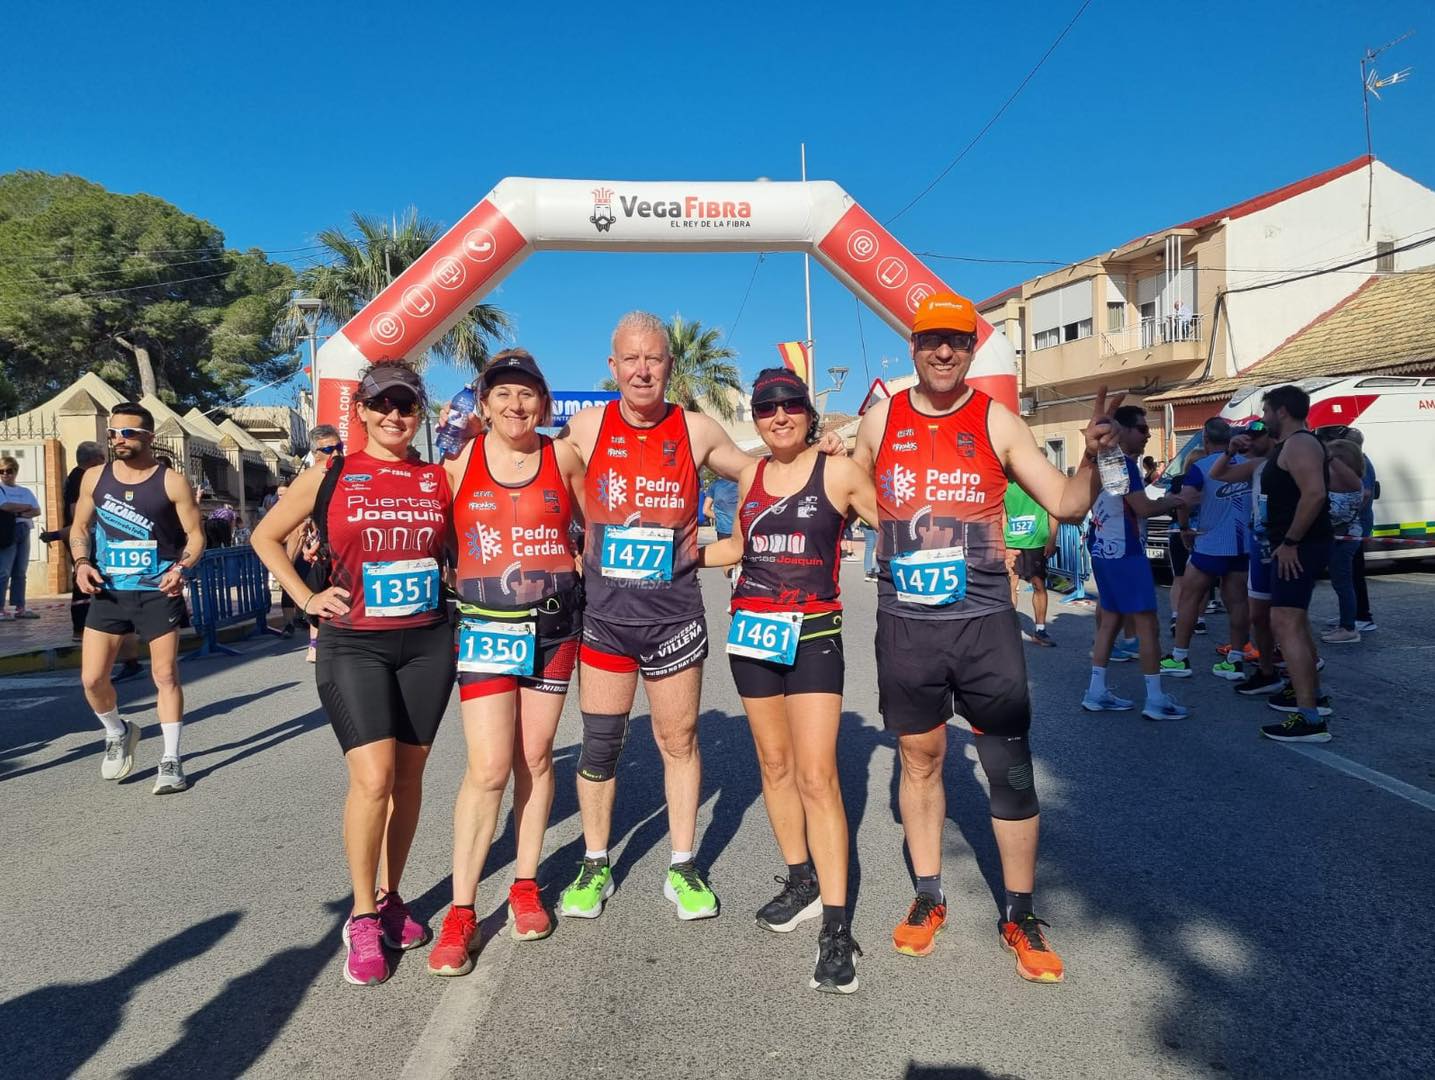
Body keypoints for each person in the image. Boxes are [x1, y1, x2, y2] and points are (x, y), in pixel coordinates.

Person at [852, 291, 1122, 984]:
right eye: (931, 340)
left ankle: (1020, 913)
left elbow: (1065, 503)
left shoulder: (997, 419)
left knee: (1008, 767)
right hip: (906, 625)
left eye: (957, 341)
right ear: (913, 348)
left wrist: (1091, 458)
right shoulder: (881, 419)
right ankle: (928, 894)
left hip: (983, 625)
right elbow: (849, 489)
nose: (943, 351)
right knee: (919, 760)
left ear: (972, 350)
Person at [551, 311, 843, 924]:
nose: (642, 370)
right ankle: (595, 862)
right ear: (612, 366)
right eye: (631, 359)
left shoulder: (696, 429)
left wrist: (818, 453)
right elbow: (536, 474)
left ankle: (682, 865)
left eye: (653, 358)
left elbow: (762, 473)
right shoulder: (587, 426)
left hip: (674, 618)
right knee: (600, 745)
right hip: (606, 619)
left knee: (678, 741)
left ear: (669, 365)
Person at [253, 360, 455, 986]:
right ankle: (362, 915)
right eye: (382, 404)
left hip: (427, 643)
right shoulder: (330, 473)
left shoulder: (436, 478)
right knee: (373, 778)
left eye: (406, 405)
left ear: (419, 414)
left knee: (410, 776)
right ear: (361, 411)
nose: (394, 415)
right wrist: (306, 598)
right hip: (354, 645)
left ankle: (393, 897)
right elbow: (265, 537)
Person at [700, 367, 878, 994]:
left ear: (808, 412)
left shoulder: (838, 472)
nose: (778, 416)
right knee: (774, 767)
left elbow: (897, 525)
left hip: (814, 635)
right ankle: (801, 880)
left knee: (817, 775)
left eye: (790, 405)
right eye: (766, 407)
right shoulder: (750, 477)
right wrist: (674, 556)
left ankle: (836, 925)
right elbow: (735, 548)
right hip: (752, 635)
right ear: (756, 417)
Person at [427, 350, 587, 977]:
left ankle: (525, 883)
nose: (516, 405)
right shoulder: (457, 464)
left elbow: (597, 525)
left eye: (527, 394)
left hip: (554, 628)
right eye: (503, 394)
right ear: (485, 404)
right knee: (490, 767)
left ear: (542, 403)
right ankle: (461, 910)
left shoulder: (562, 457)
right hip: (486, 628)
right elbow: (424, 533)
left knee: (536, 757)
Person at [69, 403, 206, 793]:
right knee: (92, 678)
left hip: (157, 590)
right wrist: (81, 562)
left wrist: (182, 569)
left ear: (149, 437)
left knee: (165, 675)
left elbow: (196, 536)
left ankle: (171, 759)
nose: (118, 440)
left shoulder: (171, 482)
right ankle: (118, 730)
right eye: (113, 434)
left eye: (128, 433)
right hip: (110, 590)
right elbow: (79, 527)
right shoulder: (94, 477)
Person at [1083, 406, 1187, 720]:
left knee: (1111, 621)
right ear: (1122, 430)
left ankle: (1096, 691)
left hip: (1104, 550)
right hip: (1126, 552)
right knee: (1147, 625)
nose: (1147, 435)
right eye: (1142, 429)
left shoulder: (1099, 461)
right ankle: (1155, 699)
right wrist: (1173, 501)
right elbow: (1142, 508)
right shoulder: (1123, 464)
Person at [1248, 385, 1334, 742]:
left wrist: (1291, 542)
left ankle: (1309, 717)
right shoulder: (1290, 445)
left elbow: (1315, 493)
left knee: (1284, 623)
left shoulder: (1300, 443)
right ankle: (1312, 697)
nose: (1263, 418)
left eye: (1266, 411)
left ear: (1282, 411)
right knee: (1293, 622)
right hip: (1291, 545)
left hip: (1299, 547)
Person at [1160, 419, 1250, 682]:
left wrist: (1184, 528)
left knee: (1189, 597)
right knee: (1238, 602)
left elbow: (1184, 501)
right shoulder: (1249, 464)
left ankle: (1179, 657)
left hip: (1211, 543)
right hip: (1242, 544)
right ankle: (1235, 660)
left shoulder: (1200, 467)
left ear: (1205, 439)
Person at [1211, 423, 1285, 697]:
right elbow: (1217, 474)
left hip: (1285, 545)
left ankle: (1306, 672)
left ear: (1272, 435)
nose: (1250, 441)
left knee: (1288, 615)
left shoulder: (1290, 459)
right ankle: (1267, 672)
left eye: (1256, 436)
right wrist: (1229, 452)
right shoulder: (1257, 466)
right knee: (1259, 615)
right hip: (1259, 544)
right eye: (1247, 437)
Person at [41, 441, 107, 639]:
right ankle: (82, 626)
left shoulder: (76, 476)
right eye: (102, 457)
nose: (104, 461)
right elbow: (76, 512)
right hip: (84, 535)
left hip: (80, 532)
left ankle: (88, 625)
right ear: (94, 460)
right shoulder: (82, 477)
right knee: (86, 578)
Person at [1317, 438, 1366, 644]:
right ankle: (1346, 623)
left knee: (1343, 583)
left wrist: (1327, 454)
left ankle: (1349, 628)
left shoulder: (1351, 481)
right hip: (1339, 537)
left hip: (1344, 539)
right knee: (1341, 583)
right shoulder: (1342, 480)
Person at [1004, 482, 1057, 646]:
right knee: (1011, 586)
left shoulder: (1040, 481)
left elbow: (1053, 510)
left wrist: (1052, 538)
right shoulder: (1005, 482)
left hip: (1036, 541)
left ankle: (1040, 630)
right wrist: (1002, 541)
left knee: (1038, 585)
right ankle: (1009, 631)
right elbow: (1002, 512)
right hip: (1012, 541)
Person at [0, 456, 43, 619]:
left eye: (9, 471)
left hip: (24, 530)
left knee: (20, 571)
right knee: (4, 571)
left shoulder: (25, 491)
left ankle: (19, 607)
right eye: (1, 471)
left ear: (15, 472)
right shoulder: (1, 489)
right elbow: (4, 506)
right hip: (7, 532)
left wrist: (16, 511)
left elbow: (36, 510)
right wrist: (25, 508)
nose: (5, 474)